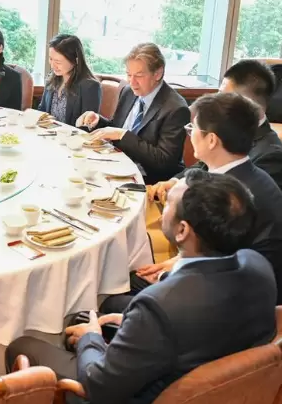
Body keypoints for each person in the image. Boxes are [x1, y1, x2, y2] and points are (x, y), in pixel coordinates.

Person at [6, 170, 276, 404]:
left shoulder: (161, 306)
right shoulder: (259, 266)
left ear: (182, 231)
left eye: (167, 203)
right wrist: (130, 322)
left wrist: (92, 338)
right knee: (88, 316)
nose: (161, 207)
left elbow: (98, 387)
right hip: (214, 390)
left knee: (23, 346)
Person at [115, 93, 282, 306]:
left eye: (192, 128)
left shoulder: (229, 197)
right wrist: (176, 262)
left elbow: (217, 269)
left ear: (211, 140)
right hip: (229, 278)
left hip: (233, 299)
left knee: (116, 290)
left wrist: (167, 275)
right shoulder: (243, 175)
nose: (190, 134)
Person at [76, 42, 189, 184]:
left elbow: (164, 161)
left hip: (148, 179)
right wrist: (98, 120)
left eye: (139, 76)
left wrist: (123, 135)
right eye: (129, 75)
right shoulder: (128, 91)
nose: (132, 82)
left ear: (158, 73)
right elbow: (117, 127)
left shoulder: (176, 108)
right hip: (116, 165)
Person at [218, 59, 282, 188]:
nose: (216, 103)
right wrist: (176, 181)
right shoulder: (226, 130)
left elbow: (240, 197)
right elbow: (202, 166)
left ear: (247, 103)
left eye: (223, 97)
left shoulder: (271, 157)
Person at [37, 34, 101, 125]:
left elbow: (87, 125)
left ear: (75, 61)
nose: (52, 66)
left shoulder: (90, 87)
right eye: (51, 59)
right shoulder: (51, 80)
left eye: (58, 62)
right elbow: (42, 111)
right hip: (46, 132)